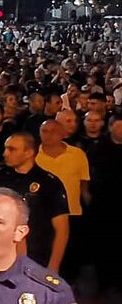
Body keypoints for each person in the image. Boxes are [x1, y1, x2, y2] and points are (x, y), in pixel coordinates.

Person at [0, 132, 69, 273]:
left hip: (36, 257)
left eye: (12, 149)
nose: (5, 153)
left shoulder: (48, 183)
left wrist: (53, 266)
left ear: (28, 153)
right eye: (5, 148)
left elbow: (62, 229)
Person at [35, 118, 90, 280]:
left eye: (53, 131)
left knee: (70, 258)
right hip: (42, 215)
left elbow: (84, 183)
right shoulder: (33, 155)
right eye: (44, 131)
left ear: (62, 134)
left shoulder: (77, 154)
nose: (48, 135)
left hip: (72, 212)